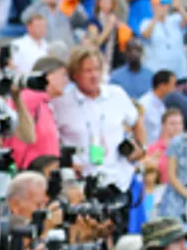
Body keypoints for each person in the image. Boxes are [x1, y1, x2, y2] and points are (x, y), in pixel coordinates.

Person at [50, 46, 141, 192]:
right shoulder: (60, 104)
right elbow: (51, 142)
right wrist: (67, 164)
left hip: (120, 181)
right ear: (75, 74)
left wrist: (141, 147)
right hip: (81, 185)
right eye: (88, 71)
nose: (94, 75)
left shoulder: (116, 94)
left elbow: (136, 120)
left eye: (97, 69)